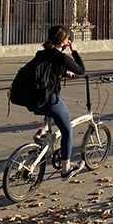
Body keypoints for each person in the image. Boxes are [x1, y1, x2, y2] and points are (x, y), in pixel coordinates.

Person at [30, 25, 86, 180]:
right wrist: (73, 51)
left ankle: (43, 130)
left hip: (34, 98)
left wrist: (62, 72)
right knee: (67, 130)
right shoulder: (62, 57)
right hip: (49, 98)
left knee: (56, 108)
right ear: (63, 41)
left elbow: (48, 71)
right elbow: (81, 70)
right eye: (67, 38)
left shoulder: (41, 53)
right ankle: (66, 168)